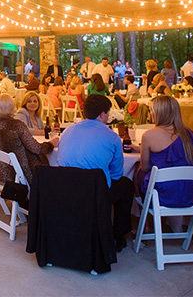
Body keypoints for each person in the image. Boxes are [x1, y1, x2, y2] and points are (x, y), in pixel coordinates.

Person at [57, 94, 135, 252]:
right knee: (126, 185)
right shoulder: (112, 137)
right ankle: (117, 236)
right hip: (94, 192)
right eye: (108, 113)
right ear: (102, 114)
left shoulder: (67, 131)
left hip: (65, 189)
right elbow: (116, 174)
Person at [0, 94, 56, 186]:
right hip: (20, 173)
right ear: (12, 108)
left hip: (1, 173)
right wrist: (50, 144)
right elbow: (36, 148)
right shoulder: (17, 126)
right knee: (50, 166)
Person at [135, 96, 193, 208]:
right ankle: (175, 224)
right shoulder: (187, 133)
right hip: (188, 191)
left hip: (162, 193)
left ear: (159, 113)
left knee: (139, 171)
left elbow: (144, 167)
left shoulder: (149, 135)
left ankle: (147, 221)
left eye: (151, 110)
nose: (150, 114)